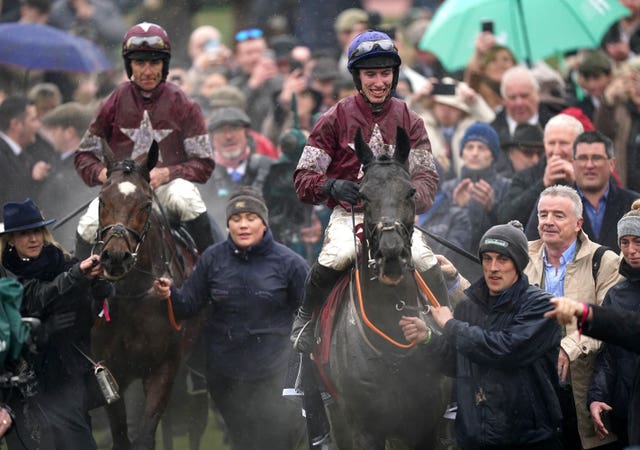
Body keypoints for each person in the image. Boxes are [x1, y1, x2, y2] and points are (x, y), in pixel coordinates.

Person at [289, 29, 447, 354]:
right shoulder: (332, 120)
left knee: (425, 259)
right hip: (351, 215)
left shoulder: (411, 121)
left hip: (398, 218)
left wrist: (402, 198)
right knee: (336, 256)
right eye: (370, 73)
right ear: (357, 77)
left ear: (395, 75)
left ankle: (447, 333)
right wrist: (330, 185)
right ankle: (305, 322)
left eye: (385, 73)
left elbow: (428, 179)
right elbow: (303, 179)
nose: (379, 82)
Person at [153, 187, 307, 450]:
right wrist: (170, 294)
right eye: (236, 219)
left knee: (276, 441)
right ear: (228, 224)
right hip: (227, 376)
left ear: (263, 222)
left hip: (275, 373)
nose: (243, 225)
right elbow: (188, 304)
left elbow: (310, 312)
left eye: (250, 218)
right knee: (244, 440)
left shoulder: (290, 263)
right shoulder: (213, 259)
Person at [400, 221, 563, 450]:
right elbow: (459, 364)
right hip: (474, 439)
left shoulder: (542, 305)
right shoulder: (468, 307)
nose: (493, 267)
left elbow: (505, 351)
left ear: (518, 263)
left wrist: (450, 325)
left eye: (502, 259)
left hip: (528, 439)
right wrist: (427, 338)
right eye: (487, 258)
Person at [74, 22, 216, 256]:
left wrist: (167, 173)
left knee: (186, 198)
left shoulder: (184, 104)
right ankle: (80, 289)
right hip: (121, 191)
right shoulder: (114, 101)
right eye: (139, 63)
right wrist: (105, 175)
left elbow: (204, 164)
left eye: (154, 62)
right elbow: (83, 155)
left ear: (165, 64)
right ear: (129, 65)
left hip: (167, 186)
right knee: (88, 226)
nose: (147, 71)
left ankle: (212, 273)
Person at [0, 198, 110, 449]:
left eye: (37, 231)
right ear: (11, 240)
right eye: (24, 234)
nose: (33, 239)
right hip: (23, 382)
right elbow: (36, 296)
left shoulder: (63, 260)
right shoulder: (7, 273)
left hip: (67, 374)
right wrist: (77, 276)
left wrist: (98, 287)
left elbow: (86, 314)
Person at [524, 185, 623, 450]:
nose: (548, 222)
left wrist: (570, 347)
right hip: (536, 392)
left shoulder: (604, 261)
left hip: (586, 390)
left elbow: (610, 321)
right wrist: (453, 280)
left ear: (578, 223)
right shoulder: (521, 256)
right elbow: (491, 306)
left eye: (558, 215)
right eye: (543, 214)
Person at [525, 131, 640, 252]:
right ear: (573, 163)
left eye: (596, 158)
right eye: (583, 158)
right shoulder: (551, 204)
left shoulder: (633, 204)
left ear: (611, 164)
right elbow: (533, 250)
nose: (589, 165)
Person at [585, 200, 640, 448]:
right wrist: (597, 397)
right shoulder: (616, 294)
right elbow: (608, 354)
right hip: (626, 413)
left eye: (638, 241)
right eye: (625, 242)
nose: (631, 250)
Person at [497, 113, 584, 225]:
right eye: (551, 143)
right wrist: (543, 184)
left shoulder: (593, 174)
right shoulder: (525, 176)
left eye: (564, 143)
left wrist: (577, 183)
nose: (556, 151)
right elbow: (506, 217)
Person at [440, 122, 511, 253]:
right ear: (462, 153)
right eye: (469, 147)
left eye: (482, 148)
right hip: (454, 261)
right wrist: (458, 208)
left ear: (493, 155)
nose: (474, 153)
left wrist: (492, 210)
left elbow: (511, 233)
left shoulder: (507, 187)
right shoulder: (447, 188)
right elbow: (437, 231)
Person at [202, 106, 275, 231]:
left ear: (247, 133)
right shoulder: (204, 177)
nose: (229, 136)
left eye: (234, 128)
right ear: (212, 138)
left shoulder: (269, 169)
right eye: (221, 131)